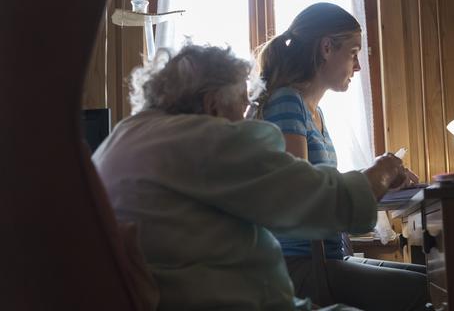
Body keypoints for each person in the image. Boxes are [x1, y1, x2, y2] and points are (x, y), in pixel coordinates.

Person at [92, 45, 412, 311]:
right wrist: (384, 169)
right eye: (244, 105)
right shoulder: (202, 139)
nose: (249, 115)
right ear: (212, 105)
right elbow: (319, 200)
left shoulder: (121, 139)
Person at [253, 2, 428, 310]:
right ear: (326, 48)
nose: (357, 66)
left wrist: (381, 183)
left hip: (327, 257)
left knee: (435, 280)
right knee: (427, 290)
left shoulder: (314, 112)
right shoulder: (286, 104)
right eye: (353, 52)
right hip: (299, 266)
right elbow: (302, 199)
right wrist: (375, 177)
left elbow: (323, 188)